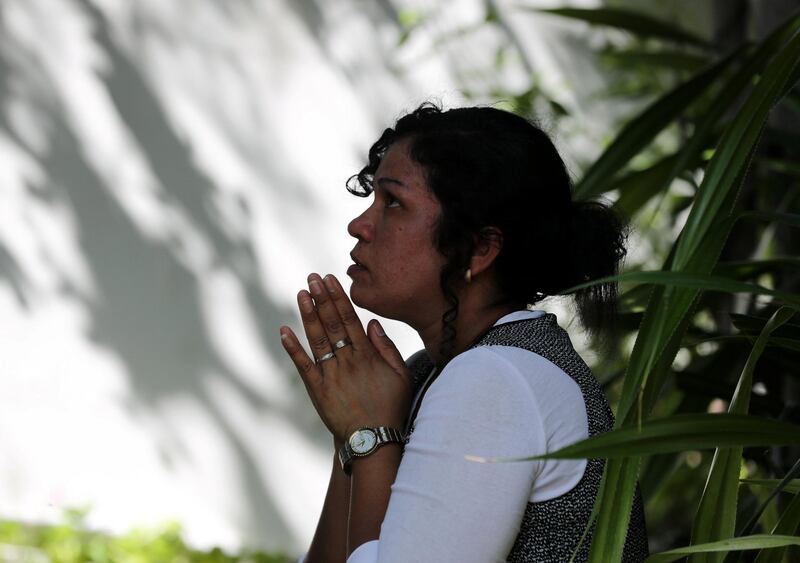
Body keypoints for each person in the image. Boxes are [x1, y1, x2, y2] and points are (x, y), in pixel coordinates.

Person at [279, 103, 648, 562]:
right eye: (372, 199)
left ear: (478, 249)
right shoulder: (428, 374)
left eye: (393, 202)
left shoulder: (494, 379)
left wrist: (369, 437)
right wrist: (352, 436)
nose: (360, 225)